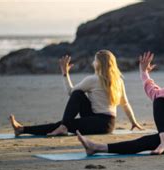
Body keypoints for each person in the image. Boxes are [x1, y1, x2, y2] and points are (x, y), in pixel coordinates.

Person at [77, 39, 164, 155]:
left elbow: (155, 95)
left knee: (148, 136)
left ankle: (96, 147)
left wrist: (143, 73)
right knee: (160, 103)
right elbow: (161, 96)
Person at [9, 50, 142, 136]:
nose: (92, 62)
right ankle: (28, 129)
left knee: (76, 96)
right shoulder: (118, 80)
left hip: (97, 123)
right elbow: (125, 104)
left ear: (99, 64)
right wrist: (133, 122)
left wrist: (65, 74)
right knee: (67, 119)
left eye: (95, 60)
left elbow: (70, 92)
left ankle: (23, 129)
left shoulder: (92, 79)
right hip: (108, 124)